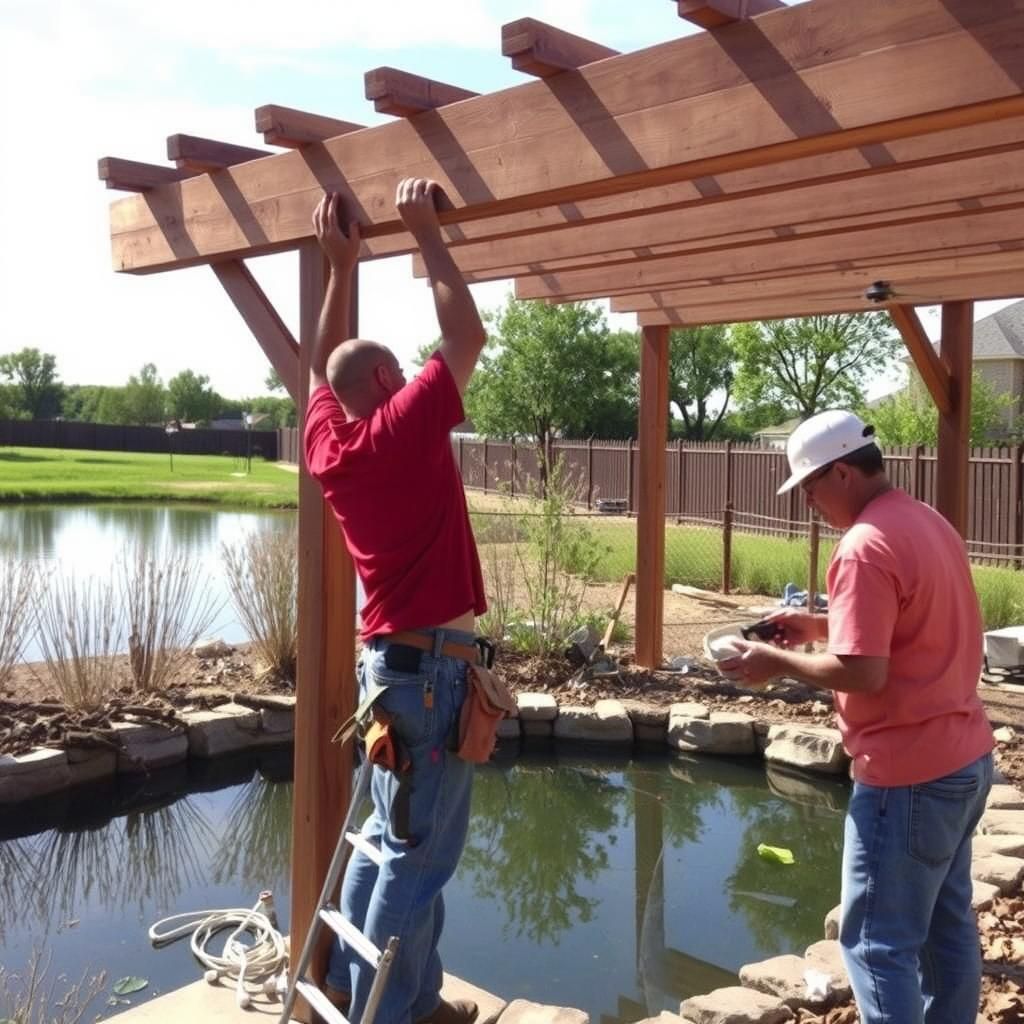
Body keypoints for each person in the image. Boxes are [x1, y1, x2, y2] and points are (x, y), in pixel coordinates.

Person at [720, 409, 994, 1024]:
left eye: (811, 488)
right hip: (964, 759)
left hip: (907, 777)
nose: (808, 503)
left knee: (876, 947)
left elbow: (864, 673)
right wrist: (818, 627)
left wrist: (776, 660)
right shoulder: (926, 522)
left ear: (841, 472)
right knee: (945, 929)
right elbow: (910, 626)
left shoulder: (863, 546)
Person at [303, 178, 488, 1024]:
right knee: (420, 859)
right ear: (388, 377)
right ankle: (381, 1017)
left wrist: (339, 265)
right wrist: (425, 234)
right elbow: (465, 335)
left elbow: (318, 368)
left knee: (389, 844)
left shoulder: (331, 450)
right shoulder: (400, 425)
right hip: (434, 677)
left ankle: (400, 997)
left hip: (393, 671)